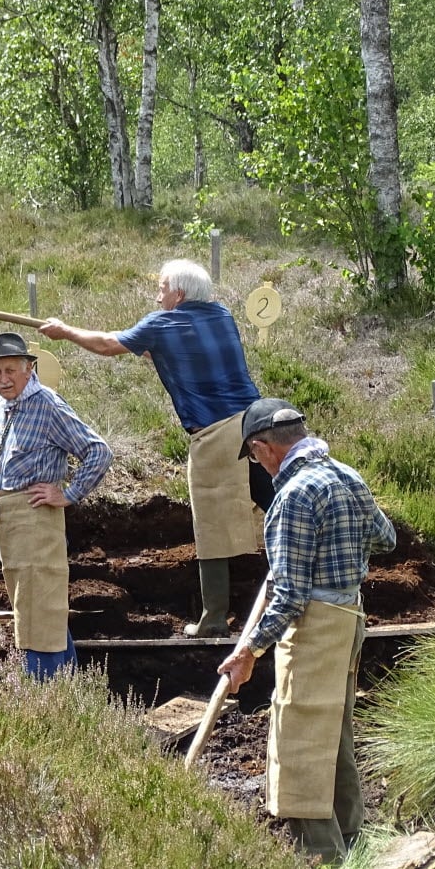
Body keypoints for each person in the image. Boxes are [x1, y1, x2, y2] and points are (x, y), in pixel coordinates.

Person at [38, 258, 271, 637]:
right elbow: (165, 350)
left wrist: (65, 331)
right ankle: (306, 585)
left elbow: (108, 344)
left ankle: (214, 618)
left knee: (210, 524)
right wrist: (145, 347)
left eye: (161, 287)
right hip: (258, 422)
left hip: (216, 433)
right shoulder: (221, 314)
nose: (157, 294)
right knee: (280, 503)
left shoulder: (162, 323)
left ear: (178, 293)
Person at [217, 398, 396, 863]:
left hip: (316, 628)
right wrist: (340, 542)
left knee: (298, 744)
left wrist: (249, 650)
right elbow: (386, 538)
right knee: (334, 734)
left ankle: (322, 857)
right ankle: (355, 843)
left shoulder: (293, 497)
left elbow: (291, 598)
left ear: (262, 447)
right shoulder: (346, 475)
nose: (258, 464)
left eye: (254, 456)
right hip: (350, 620)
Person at [0, 331, 113, 680]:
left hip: (36, 516)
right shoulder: (1, 404)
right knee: (32, 606)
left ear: (29, 369)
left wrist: (67, 494)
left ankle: (46, 694)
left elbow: (98, 451)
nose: (3, 380)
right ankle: (68, 691)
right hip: (7, 517)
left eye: (10, 371)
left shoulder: (47, 404)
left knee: (41, 608)